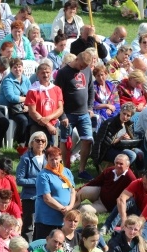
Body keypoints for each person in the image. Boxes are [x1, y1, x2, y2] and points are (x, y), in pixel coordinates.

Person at [55, 50, 95, 180]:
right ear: (76, 59)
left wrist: (89, 107)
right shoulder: (63, 73)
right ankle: (64, 169)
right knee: (65, 142)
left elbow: (90, 89)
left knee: (88, 140)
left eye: (85, 66)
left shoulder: (88, 70)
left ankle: (81, 170)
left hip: (84, 113)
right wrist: (62, 116)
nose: (82, 68)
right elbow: (57, 96)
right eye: (81, 65)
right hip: (68, 114)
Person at [34, 146, 75, 240]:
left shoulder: (67, 172)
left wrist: (70, 207)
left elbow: (73, 191)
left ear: (60, 158)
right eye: (51, 159)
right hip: (47, 219)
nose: (54, 162)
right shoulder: (43, 175)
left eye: (56, 159)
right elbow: (47, 198)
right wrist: (63, 209)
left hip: (63, 217)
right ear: (47, 159)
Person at [94, 103, 143, 168]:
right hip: (107, 150)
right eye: (124, 113)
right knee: (131, 155)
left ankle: (139, 174)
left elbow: (130, 138)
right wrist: (120, 139)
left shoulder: (128, 124)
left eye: (128, 115)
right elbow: (104, 143)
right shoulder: (110, 123)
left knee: (139, 153)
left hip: (121, 147)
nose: (125, 117)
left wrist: (128, 139)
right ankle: (120, 173)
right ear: (120, 112)